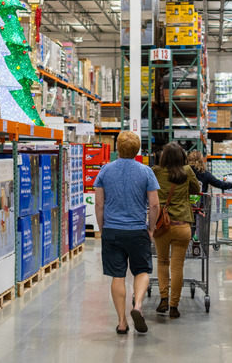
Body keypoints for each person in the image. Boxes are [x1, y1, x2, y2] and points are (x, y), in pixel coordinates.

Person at [95, 131, 160, 334]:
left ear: (117, 148)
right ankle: (138, 305)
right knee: (141, 271)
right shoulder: (146, 171)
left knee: (118, 275)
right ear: (138, 149)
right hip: (137, 230)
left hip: (112, 230)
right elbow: (154, 205)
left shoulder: (105, 170)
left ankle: (122, 322)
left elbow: (99, 204)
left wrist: (102, 228)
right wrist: (151, 228)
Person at [152, 143, 201, 319]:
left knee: (162, 262)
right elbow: (196, 190)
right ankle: (174, 306)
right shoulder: (187, 171)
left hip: (162, 226)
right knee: (177, 267)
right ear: (182, 157)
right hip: (182, 226)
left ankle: (163, 298)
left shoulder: (156, 172)